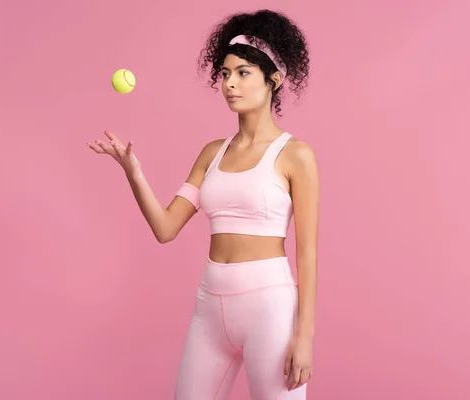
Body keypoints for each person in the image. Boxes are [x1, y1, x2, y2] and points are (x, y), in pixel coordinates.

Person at [88, 9, 318, 399]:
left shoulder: (296, 155)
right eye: (225, 74)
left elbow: (308, 253)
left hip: (270, 308)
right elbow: (165, 228)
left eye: (243, 73)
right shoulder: (211, 153)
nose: (230, 83)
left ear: (273, 79)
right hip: (210, 307)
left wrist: (304, 337)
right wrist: (134, 173)